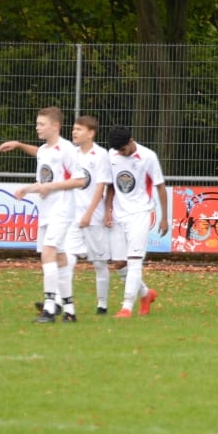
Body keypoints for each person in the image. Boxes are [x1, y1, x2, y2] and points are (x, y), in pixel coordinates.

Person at [0, 107, 86, 322]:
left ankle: (49, 309)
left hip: (62, 210)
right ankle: (70, 311)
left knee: (48, 254)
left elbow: (80, 180)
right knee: (60, 257)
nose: (37, 128)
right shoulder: (44, 151)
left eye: (41, 124)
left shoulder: (67, 149)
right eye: (37, 124)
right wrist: (27, 189)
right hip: (47, 210)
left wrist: (51, 187)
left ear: (55, 126)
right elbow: (43, 182)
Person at [102, 126, 168, 318]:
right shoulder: (111, 155)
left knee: (134, 260)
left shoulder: (148, 157)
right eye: (118, 150)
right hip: (118, 215)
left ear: (131, 141)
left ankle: (127, 307)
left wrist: (164, 218)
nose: (121, 153)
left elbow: (160, 187)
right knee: (119, 264)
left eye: (123, 149)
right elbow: (111, 186)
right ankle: (146, 294)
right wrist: (108, 210)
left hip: (140, 213)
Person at [70, 115, 117, 315]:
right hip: (73, 216)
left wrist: (89, 214)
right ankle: (59, 301)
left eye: (78, 129)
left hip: (94, 217)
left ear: (90, 133)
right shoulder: (71, 154)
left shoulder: (100, 155)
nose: (74, 132)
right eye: (74, 128)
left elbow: (100, 187)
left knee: (99, 262)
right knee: (67, 257)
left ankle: (102, 305)